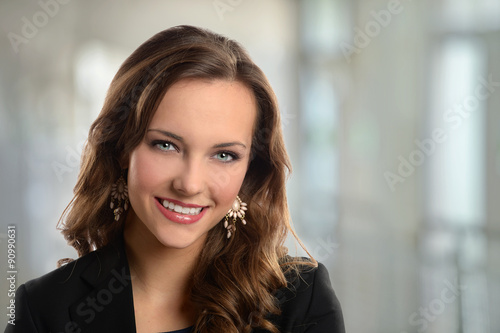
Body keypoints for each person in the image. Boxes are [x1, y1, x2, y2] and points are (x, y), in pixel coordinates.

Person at [5, 25, 344, 333]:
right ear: (122, 147)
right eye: (166, 145)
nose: (190, 184)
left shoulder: (301, 301)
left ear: (249, 169)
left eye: (224, 155)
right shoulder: (42, 310)